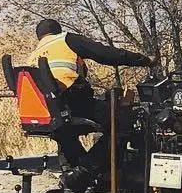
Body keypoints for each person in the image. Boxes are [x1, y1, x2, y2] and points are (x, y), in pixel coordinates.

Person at [30, 18, 124, 181]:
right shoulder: (65, 40)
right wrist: (143, 60)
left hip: (48, 110)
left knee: (65, 130)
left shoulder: (34, 53)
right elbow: (104, 54)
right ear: (57, 31)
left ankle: (74, 175)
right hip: (71, 101)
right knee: (123, 122)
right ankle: (85, 170)